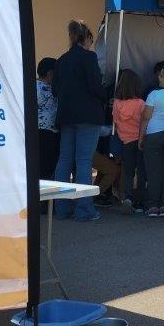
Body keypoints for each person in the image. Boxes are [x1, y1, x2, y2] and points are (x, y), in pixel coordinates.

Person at [53, 20, 106, 221]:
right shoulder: (89, 57)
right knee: (84, 162)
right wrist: (104, 95)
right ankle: (84, 209)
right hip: (88, 116)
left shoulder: (62, 60)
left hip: (66, 116)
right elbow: (95, 86)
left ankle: (62, 209)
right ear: (87, 38)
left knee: (64, 161)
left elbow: (55, 90)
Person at [140, 62, 164, 218]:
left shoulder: (154, 95)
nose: (159, 77)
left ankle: (152, 205)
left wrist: (141, 137)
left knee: (153, 172)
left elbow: (146, 117)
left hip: (153, 133)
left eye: (162, 75)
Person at [113, 69, 147, 214]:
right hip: (140, 140)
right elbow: (145, 121)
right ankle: (139, 202)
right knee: (141, 171)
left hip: (125, 141)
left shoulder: (116, 103)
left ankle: (127, 197)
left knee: (128, 172)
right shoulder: (141, 103)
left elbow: (115, 121)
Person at [36, 58, 60, 184]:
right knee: (46, 169)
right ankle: (45, 202)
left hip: (37, 133)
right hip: (47, 134)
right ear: (51, 73)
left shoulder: (31, 87)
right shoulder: (50, 90)